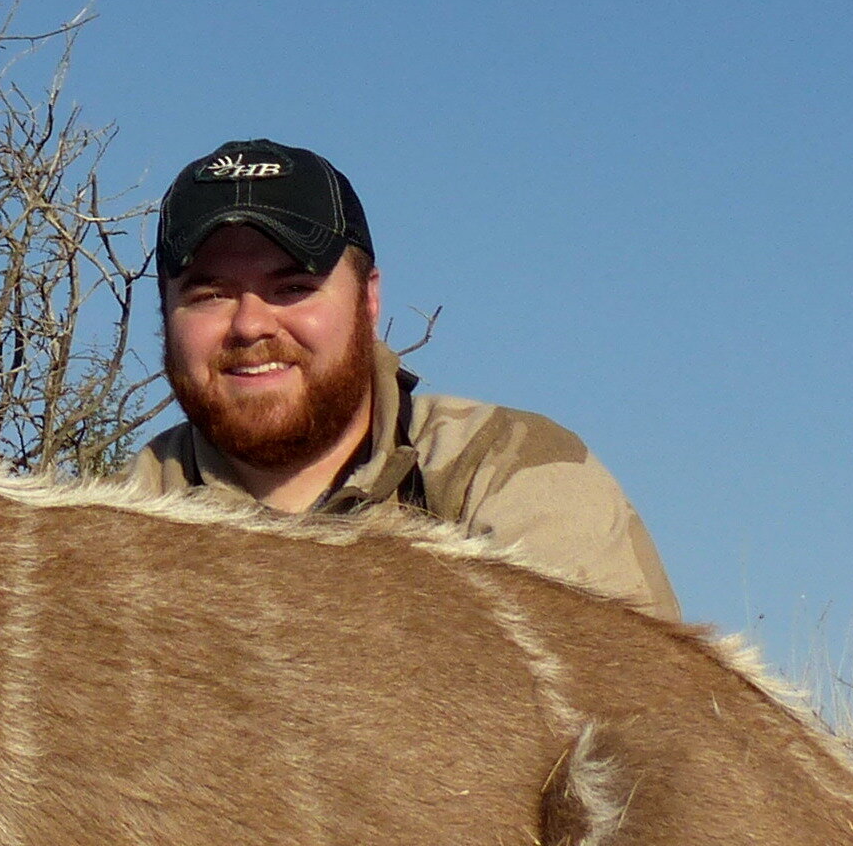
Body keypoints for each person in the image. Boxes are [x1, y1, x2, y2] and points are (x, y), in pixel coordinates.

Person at [119, 139, 679, 618]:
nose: (249, 324)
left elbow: (637, 717)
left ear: (369, 299)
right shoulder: (112, 527)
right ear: (166, 313)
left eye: (292, 288)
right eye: (209, 294)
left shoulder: (507, 469)